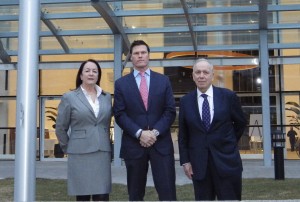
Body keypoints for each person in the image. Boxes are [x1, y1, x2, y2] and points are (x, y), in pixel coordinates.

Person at [113, 40, 177, 201]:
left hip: (161, 144)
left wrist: (153, 133)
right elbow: (119, 114)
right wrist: (140, 133)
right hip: (134, 145)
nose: (140, 56)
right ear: (131, 58)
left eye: (143, 52)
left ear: (149, 56)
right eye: (136, 53)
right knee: (135, 194)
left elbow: (169, 111)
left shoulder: (163, 81)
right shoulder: (121, 84)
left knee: (167, 192)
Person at [178, 58, 247, 201]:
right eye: (197, 72)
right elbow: (183, 134)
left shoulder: (228, 96)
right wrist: (185, 161)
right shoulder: (186, 101)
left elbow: (240, 123)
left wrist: (228, 141)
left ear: (212, 75)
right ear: (192, 76)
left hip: (227, 162)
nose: (201, 75)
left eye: (205, 72)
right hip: (199, 166)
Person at [55, 59, 112, 201]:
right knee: (83, 196)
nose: (91, 74)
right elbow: (61, 127)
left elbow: (104, 123)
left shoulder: (106, 97)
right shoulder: (69, 97)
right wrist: (68, 147)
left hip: (102, 151)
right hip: (79, 152)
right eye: (87, 71)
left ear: (99, 75)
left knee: (102, 195)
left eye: (95, 71)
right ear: (81, 75)